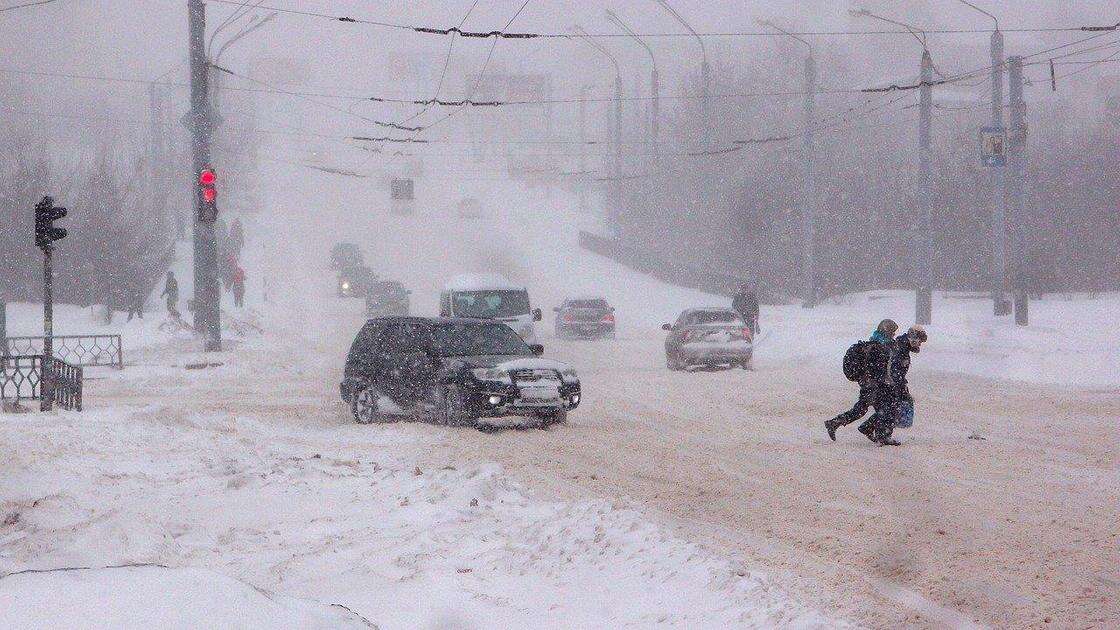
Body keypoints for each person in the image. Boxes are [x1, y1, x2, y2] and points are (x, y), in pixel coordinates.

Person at [826, 319, 898, 444]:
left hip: (868, 383)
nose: (893, 335)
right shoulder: (878, 347)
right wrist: (885, 382)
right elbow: (877, 369)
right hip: (872, 385)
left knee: (870, 409)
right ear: (886, 332)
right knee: (882, 409)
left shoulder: (875, 343)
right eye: (892, 333)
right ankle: (879, 434)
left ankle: (837, 423)